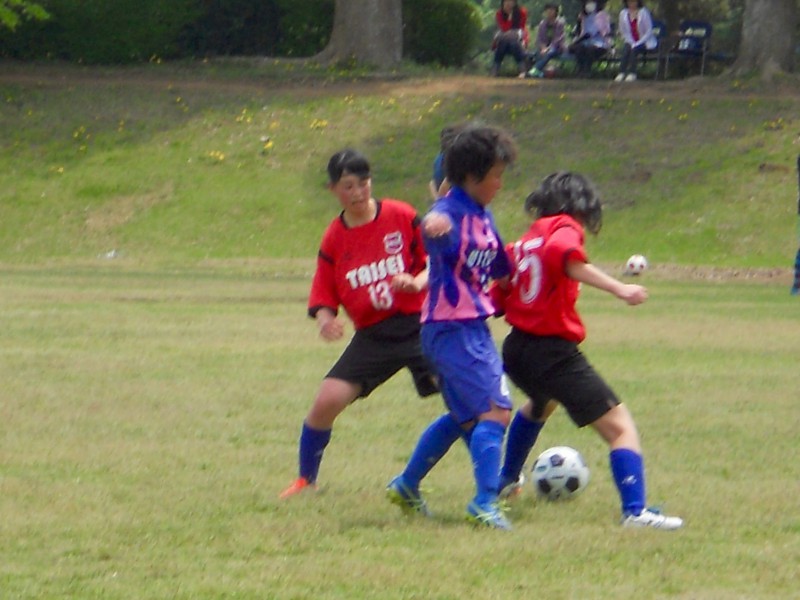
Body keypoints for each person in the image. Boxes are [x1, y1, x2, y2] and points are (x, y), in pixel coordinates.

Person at [494, 171, 684, 530]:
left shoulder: (524, 241)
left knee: (542, 402)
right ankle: (635, 512)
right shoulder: (563, 227)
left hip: (517, 349)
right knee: (620, 427)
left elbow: (499, 293)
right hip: (551, 351)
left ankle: (505, 480)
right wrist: (619, 289)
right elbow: (560, 253)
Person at [279, 149, 438, 499]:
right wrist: (325, 320)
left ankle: (497, 478)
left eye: (363, 183)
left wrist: (416, 283)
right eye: (348, 186)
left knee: (462, 396)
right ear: (333, 189)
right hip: (373, 337)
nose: (358, 192)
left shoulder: (401, 215)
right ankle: (306, 480)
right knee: (327, 400)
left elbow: (435, 262)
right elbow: (324, 289)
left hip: (420, 326)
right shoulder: (335, 237)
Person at [386, 124, 518, 530]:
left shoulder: (484, 215)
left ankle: (407, 485)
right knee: (497, 411)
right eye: (495, 175)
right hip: (453, 327)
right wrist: (433, 227)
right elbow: (434, 223)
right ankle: (484, 502)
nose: (500, 183)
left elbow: (500, 266)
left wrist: (510, 276)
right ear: (471, 177)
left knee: (466, 418)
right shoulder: (450, 211)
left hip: (467, 327)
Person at [614, 0, 657, 82]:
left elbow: (649, 31)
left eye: (634, 1)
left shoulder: (644, 12)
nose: (632, 3)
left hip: (644, 42)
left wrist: (638, 43)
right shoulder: (623, 13)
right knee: (626, 50)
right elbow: (623, 31)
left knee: (634, 50)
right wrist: (631, 42)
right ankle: (621, 72)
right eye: (629, 2)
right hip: (630, 40)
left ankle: (632, 73)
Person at [569, 0, 612, 77]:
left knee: (590, 50)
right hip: (584, 41)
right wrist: (579, 22)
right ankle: (581, 70)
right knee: (579, 48)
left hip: (600, 42)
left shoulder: (602, 15)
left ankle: (587, 70)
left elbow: (603, 31)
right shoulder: (583, 16)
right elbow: (579, 32)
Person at [491, 0, 530, 78]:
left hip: (518, 40)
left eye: (511, 1)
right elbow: (504, 28)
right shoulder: (499, 13)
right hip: (504, 40)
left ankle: (523, 71)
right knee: (502, 42)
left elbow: (522, 28)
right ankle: (495, 70)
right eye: (506, 2)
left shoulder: (522, 12)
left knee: (513, 42)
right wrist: (509, 17)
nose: (508, 4)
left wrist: (512, 15)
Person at [527, 3, 567, 78]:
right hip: (544, 47)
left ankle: (534, 69)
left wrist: (547, 48)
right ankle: (540, 73)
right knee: (538, 53)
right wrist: (543, 47)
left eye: (552, 10)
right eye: (548, 10)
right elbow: (539, 38)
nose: (549, 12)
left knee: (549, 53)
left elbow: (558, 39)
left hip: (557, 48)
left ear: (556, 11)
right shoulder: (542, 24)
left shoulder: (559, 23)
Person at [428, 125, 460, 202]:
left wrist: (437, 200)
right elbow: (445, 186)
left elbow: (432, 183)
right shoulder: (454, 161)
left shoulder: (439, 158)